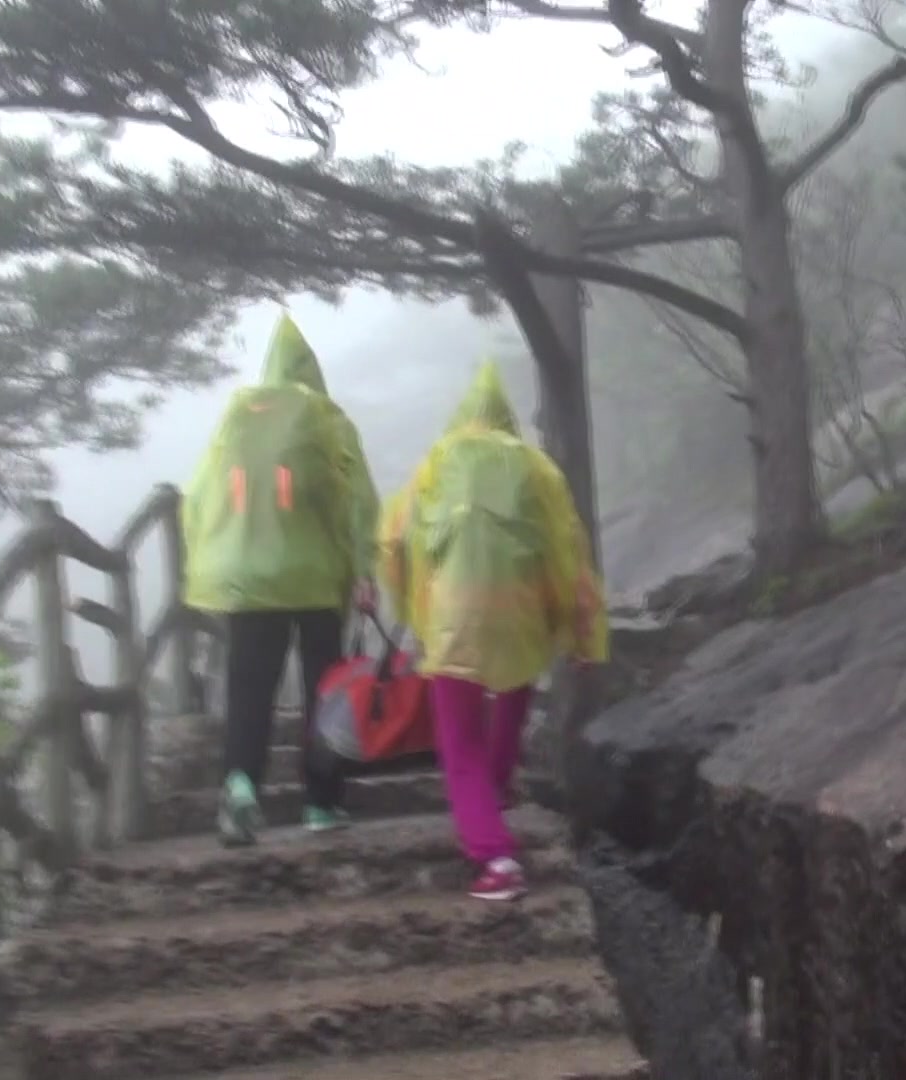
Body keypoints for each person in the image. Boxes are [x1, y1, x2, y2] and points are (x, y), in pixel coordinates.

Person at [378, 361, 607, 902]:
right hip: (520, 610)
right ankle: (499, 785)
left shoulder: (436, 462)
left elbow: (392, 541)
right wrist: (581, 632)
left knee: (459, 744)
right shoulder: (536, 467)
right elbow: (568, 551)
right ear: (507, 420)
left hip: (453, 614)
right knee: (510, 695)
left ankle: (496, 858)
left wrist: (410, 610)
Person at [182, 313, 378, 847]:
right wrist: (364, 568)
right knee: (325, 689)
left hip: (248, 578)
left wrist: (209, 562)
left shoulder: (239, 418)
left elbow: (200, 495)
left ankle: (242, 785)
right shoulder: (327, 417)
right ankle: (320, 801)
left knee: (249, 687)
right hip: (316, 576)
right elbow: (358, 501)